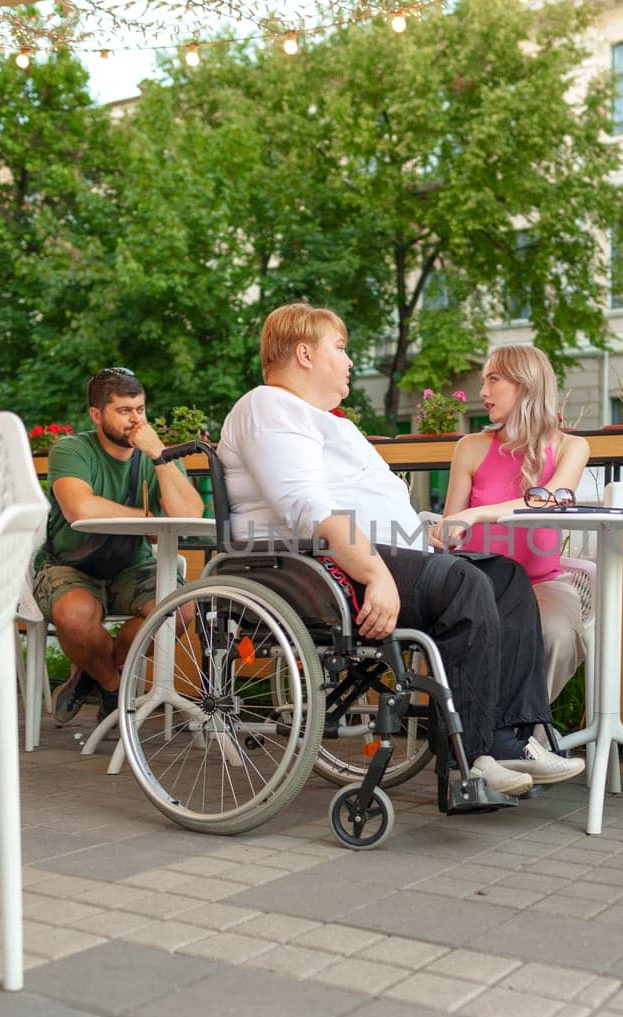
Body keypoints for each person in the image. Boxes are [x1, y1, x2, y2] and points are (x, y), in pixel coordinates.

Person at [217, 302, 583, 796]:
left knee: (506, 578)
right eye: (341, 349)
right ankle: (473, 757)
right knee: (465, 584)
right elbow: (308, 507)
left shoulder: (328, 422)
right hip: (322, 565)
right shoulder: (268, 407)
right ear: (304, 354)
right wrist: (375, 574)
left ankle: (511, 739)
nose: (349, 362)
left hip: (381, 552)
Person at [35, 367, 205, 724]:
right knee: (75, 616)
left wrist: (159, 455)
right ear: (97, 414)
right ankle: (113, 685)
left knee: (181, 610)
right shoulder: (72, 450)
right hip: (71, 564)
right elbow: (80, 508)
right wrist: (147, 518)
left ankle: (93, 671)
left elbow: (190, 512)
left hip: (132, 564)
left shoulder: (154, 455)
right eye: (124, 411)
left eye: (140, 410)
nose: (136, 420)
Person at [434, 344, 589, 703]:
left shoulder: (571, 447)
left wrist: (476, 514)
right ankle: (495, 742)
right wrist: (450, 531)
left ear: (525, 384)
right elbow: (451, 524)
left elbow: (551, 497)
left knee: (556, 636)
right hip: (478, 583)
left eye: (494, 380)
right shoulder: (470, 447)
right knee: (479, 636)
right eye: (483, 381)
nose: (483, 392)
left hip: (543, 585)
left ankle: (523, 738)